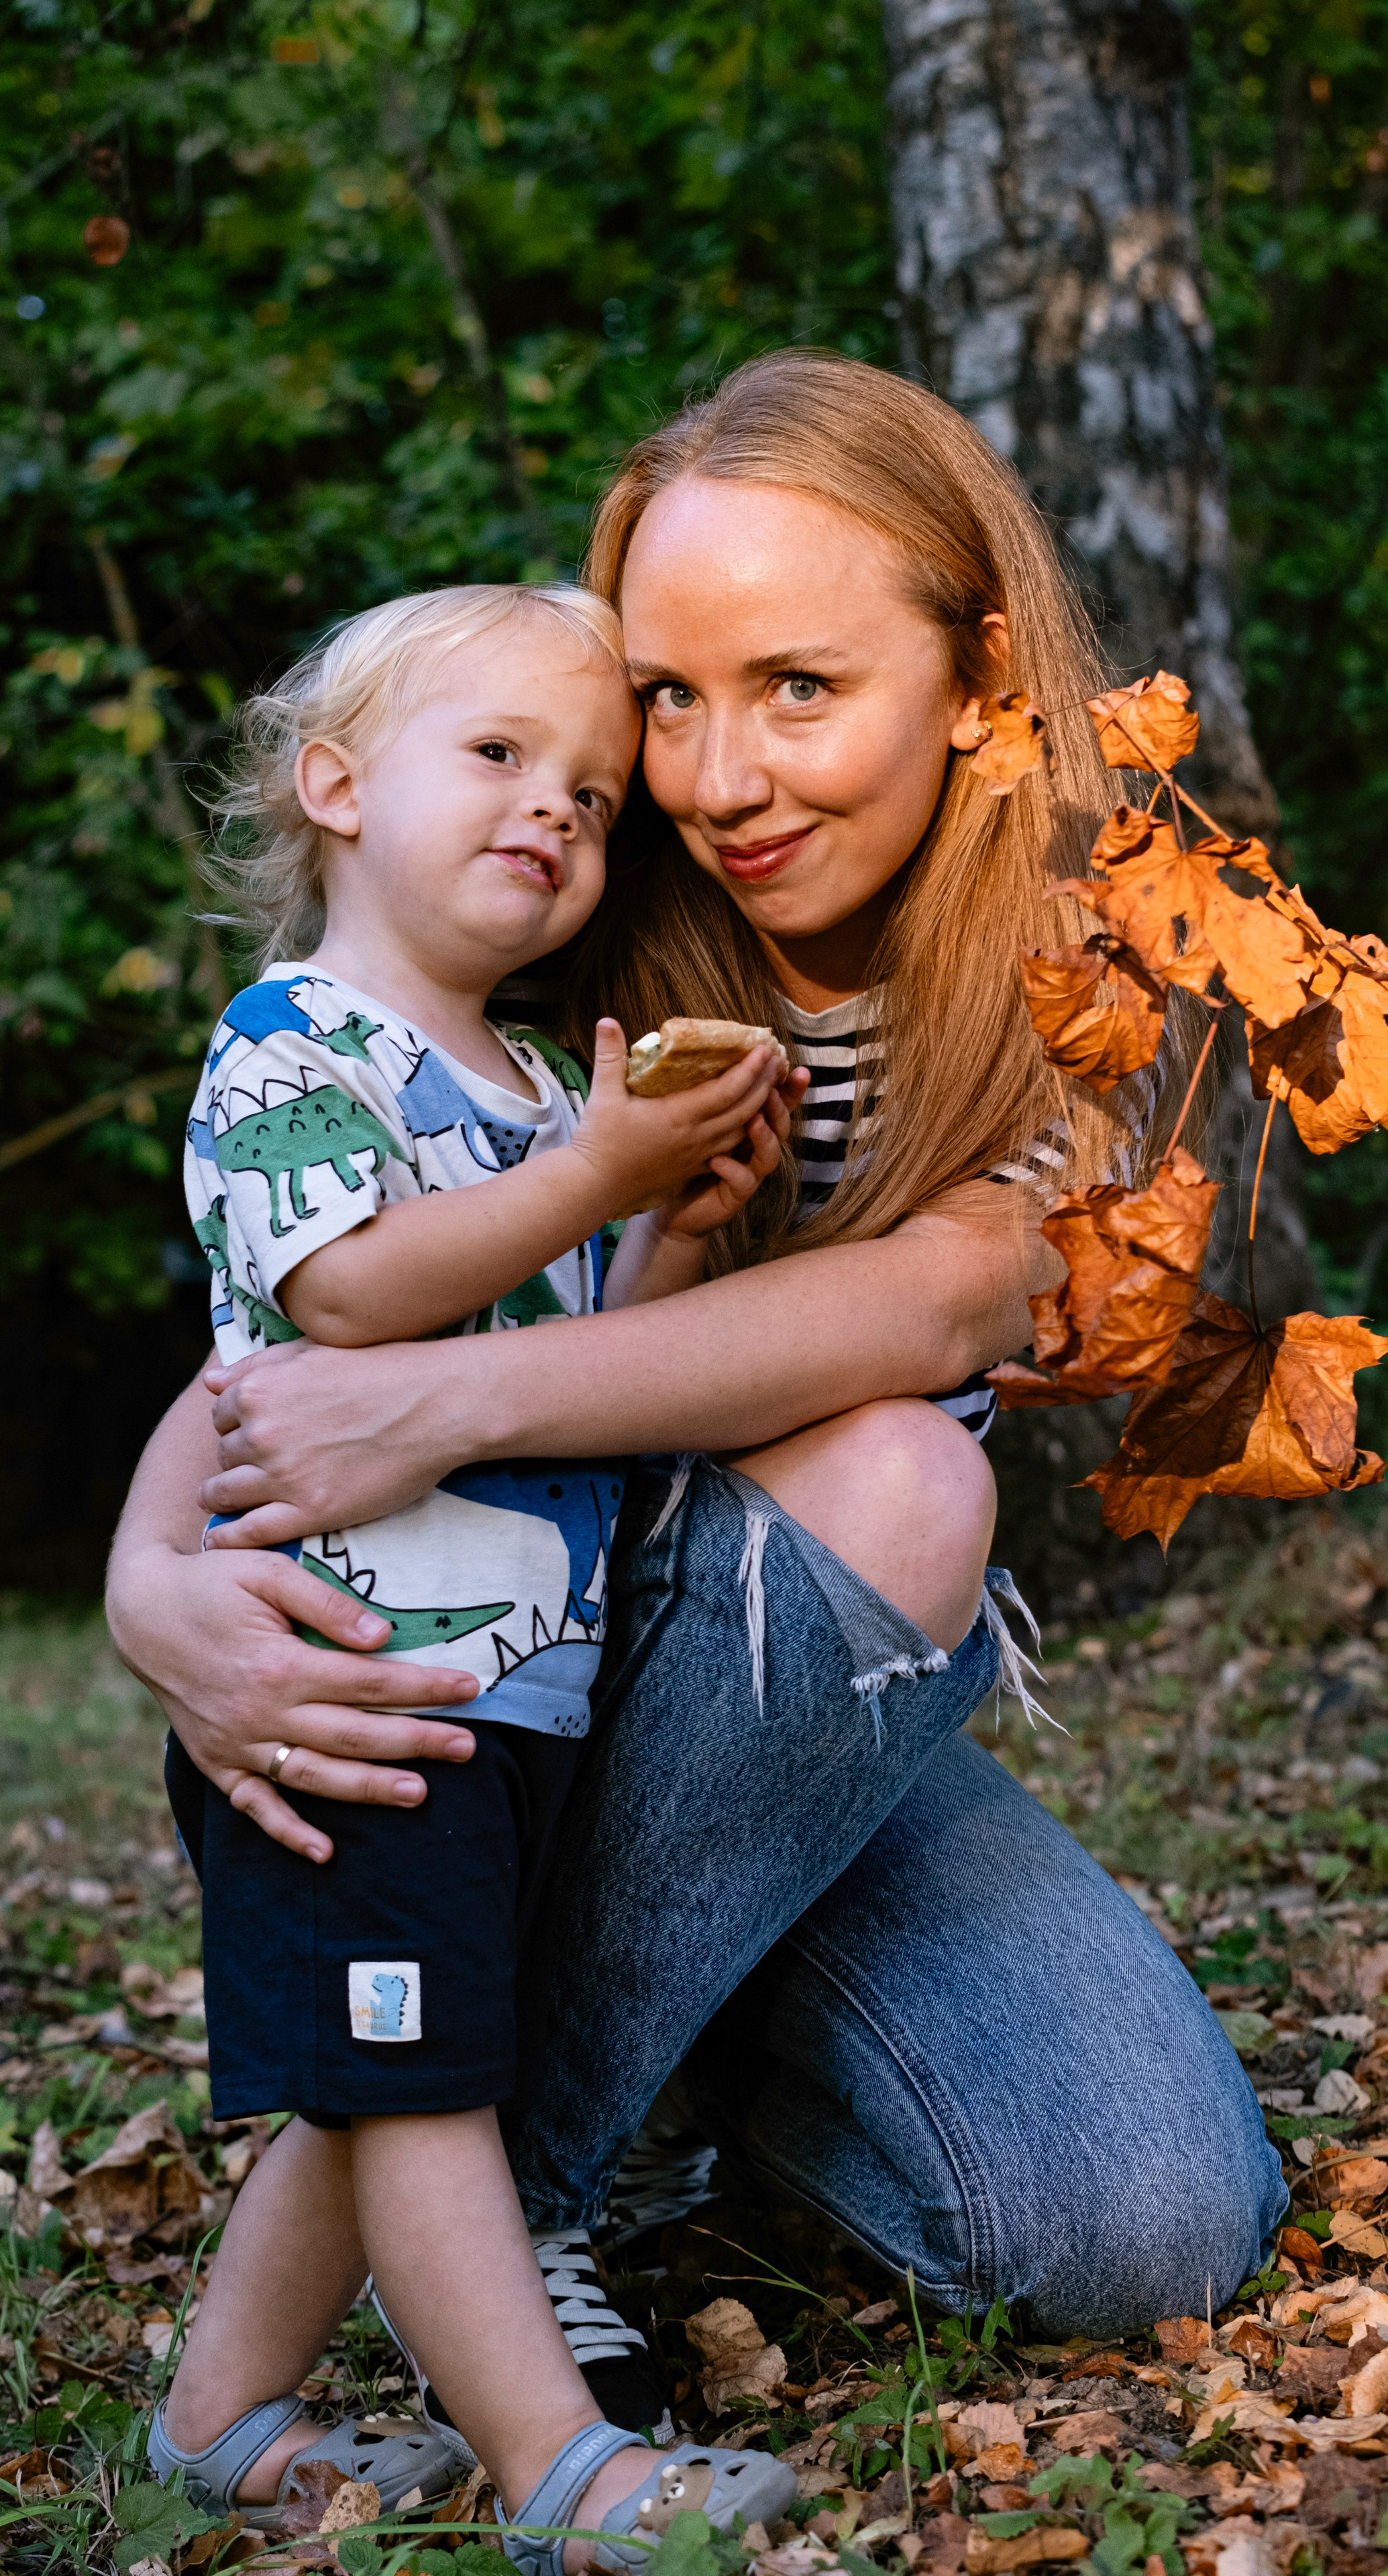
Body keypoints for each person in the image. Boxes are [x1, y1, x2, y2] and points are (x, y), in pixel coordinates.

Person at [107, 352, 1287, 2402]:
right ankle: (526, 2191)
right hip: (467, 1674)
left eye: (799, 690)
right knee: (903, 1484)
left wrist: (451, 1403)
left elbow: (936, 1309)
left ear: (980, 674)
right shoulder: (569, 899)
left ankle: (571, 2089)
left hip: (780, 1707)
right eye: (668, 695)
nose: (718, 777)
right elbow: (326, 1282)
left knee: (1146, 2226)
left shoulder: (1102, 972)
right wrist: (149, 1571)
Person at [146, 581, 798, 2573]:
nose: (556, 814)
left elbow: (570, 1372)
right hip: (350, 1688)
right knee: (425, 2093)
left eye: (595, 794)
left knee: (386, 2079)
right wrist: (593, 1178)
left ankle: (219, 2416)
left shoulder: (532, 1092)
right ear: (335, 787)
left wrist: (667, 1226)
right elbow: (345, 1298)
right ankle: (566, 2473)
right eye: (500, 758)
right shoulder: (291, 1051)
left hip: (507, 1692)